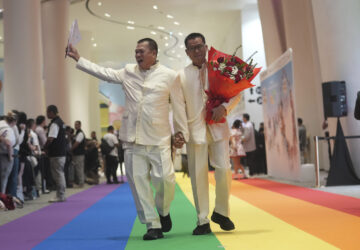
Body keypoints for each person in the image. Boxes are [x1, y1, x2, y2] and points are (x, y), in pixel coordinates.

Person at [66, 38, 188, 240]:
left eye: (141, 51)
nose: (137, 55)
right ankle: (153, 225)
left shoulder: (169, 76)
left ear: (154, 53)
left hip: (159, 138)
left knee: (166, 181)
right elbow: (104, 72)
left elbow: (178, 105)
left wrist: (181, 132)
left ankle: (163, 211)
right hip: (132, 139)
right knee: (138, 184)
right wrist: (79, 58)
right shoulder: (128, 71)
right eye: (136, 51)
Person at [174, 33, 238, 235]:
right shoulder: (181, 75)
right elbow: (178, 106)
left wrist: (226, 108)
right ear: (187, 52)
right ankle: (202, 220)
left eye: (200, 46)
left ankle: (222, 212)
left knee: (224, 169)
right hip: (195, 131)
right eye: (192, 48)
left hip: (218, 127)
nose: (197, 51)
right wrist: (181, 132)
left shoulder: (220, 68)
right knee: (198, 175)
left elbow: (237, 90)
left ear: (206, 46)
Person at [44, 105, 67, 203]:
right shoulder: (61, 122)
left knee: (58, 174)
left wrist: (45, 147)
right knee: (60, 174)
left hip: (56, 153)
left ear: (52, 112)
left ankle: (60, 195)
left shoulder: (55, 124)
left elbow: (50, 138)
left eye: (48, 112)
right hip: (61, 152)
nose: (47, 114)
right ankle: (60, 194)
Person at [70, 121, 86, 188]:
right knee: (77, 168)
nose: (75, 126)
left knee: (79, 168)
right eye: (75, 124)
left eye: (77, 124)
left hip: (79, 154)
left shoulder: (80, 133)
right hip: (77, 154)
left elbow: (77, 143)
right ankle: (80, 182)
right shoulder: (77, 133)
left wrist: (70, 149)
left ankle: (81, 183)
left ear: (80, 125)